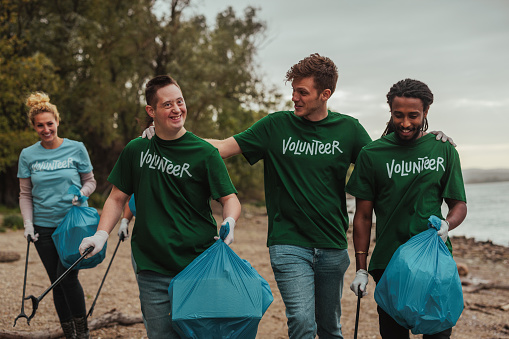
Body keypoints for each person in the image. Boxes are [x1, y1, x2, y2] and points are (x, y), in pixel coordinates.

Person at [141, 53, 455, 339]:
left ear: (325, 94)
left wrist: (431, 139)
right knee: (302, 322)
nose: (294, 97)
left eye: (302, 92)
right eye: (294, 90)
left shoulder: (348, 129)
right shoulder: (275, 126)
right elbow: (222, 148)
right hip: (288, 243)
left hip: (332, 245)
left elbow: (385, 161)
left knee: (330, 327)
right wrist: (172, 135)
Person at [78, 75, 241, 338]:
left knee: (198, 334)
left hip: (198, 265)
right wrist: (100, 234)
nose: (177, 109)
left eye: (180, 101)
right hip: (151, 267)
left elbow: (229, 199)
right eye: (167, 105)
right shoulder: (136, 149)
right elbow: (116, 198)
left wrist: (230, 221)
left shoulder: (205, 153)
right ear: (151, 111)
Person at [346, 78, 467, 339]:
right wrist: (361, 268)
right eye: (398, 115)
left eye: (413, 115)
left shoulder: (443, 149)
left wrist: (448, 224)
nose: (405, 123)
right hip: (390, 263)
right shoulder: (372, 154)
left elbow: (458, 204)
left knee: (438, 334)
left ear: (426, 113)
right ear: (390, 111)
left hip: (435, 261)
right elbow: (363, 217)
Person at [17, 92, 97, 339]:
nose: (46, 129)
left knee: (68, 277)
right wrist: (28, 224)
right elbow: (25, 194)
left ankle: (82, 333)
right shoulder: (28, 155)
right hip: (43, 228)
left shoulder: (76, 148)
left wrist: (82, 194)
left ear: (57, 122)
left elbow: (91, 181)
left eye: (49, 123)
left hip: (72, 226)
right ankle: (69, 333)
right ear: (34, 127)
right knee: (56, 281)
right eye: (40, 125)